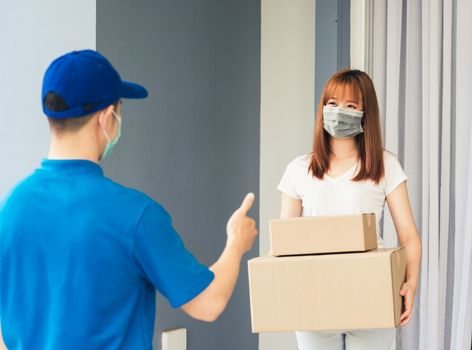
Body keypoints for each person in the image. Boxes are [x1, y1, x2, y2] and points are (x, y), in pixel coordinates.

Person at [0, 50, 257, 350]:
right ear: (107, 118)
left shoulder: (11, 209)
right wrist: (236, 243)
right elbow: (208, 303)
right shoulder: (135, 216)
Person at [277, 69, 421, 350]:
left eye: (350, 106)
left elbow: (409, 237)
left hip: (372, 291)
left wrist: (411, 284)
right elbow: (285, 244)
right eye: (332, 104)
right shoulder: (298, 170)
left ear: (365, 112)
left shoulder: (385, 165)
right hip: (314, 295)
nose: (338, 111)